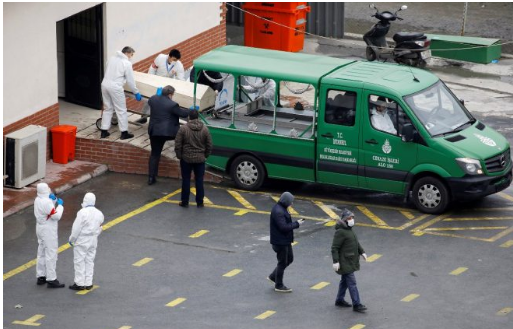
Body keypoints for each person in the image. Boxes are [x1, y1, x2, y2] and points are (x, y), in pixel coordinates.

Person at [147, 85, 189, 185]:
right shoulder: (172, 105)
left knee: (154, 154)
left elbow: (150, 102)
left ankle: (151, 178)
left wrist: (156, 95)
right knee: (183, 141)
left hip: (154, 132)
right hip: (168, 133)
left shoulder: (153, 99)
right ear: (170, 94)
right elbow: (183, 114)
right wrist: (191, 110)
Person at [101, 46, 142, 140]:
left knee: (108, 108)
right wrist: (136, 92)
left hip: (105, 84)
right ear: (127, 53)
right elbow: (130, 80)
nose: (131, 57)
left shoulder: (112, 58)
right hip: (115, 87)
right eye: (131, 55)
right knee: (121, 110)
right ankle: (124, 133)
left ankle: (104, 131)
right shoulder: (126, 63)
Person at [331, 209, 368, 313]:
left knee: (344, 282)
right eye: (349, 218)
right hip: (345, 262)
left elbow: (355, 242)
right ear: (345, 220)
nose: (352, 220)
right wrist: (335, 261)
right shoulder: (341, 232)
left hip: (350, 261)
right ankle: (357, 304)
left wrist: (362, 252)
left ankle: (339, 300)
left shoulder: (349, 229)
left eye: (352, 218)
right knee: (352, 283)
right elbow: (334, 248)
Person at [174, 109, 213, 207]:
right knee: (199, 180)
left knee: (186, 180)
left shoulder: (183, 129)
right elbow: (209, 145)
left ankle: (184, 201)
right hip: (200, 159)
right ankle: (200, 202)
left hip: (186, 159)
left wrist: (179, 155)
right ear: (198, 117)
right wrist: (205, 155)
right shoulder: (205, 129)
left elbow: (178, 144)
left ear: (188, 117)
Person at [137, 49, 186, 124]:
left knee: (166, 103)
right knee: (149, 99)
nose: (175, 61)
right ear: (169, 56)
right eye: (174, 59)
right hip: (156, 82)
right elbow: (152, 70)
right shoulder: (160, 58)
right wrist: (151, 82)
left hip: (168, 85)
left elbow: (181, 79)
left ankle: (162, 119)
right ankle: (144, 116)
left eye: (176, 60)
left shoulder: (179, 65)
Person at [268, 192, 304, 293]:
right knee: (282, 262)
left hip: (285, 241)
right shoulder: (279, 211)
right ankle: (278, 285)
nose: (292, 204)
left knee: (290, 259)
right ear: (286, 201)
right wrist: (297, 224)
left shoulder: (281, 208)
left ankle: (273, 276)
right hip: (280, 242)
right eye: (291, 202)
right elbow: (283, 227)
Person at [68, 193, 104, 291]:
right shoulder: (99, 213)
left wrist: (72, 239)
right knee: (89, 261)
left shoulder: (82, 212)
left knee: (79, 261)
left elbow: (76, 228)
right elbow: (100, 227)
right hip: (93, 240)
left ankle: (79, 283)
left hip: (82, 240)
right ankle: (89, 282)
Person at [34, 183, 65, 288]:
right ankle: (51, 279)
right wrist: (60, 205)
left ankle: (40, 276)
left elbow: (48, 209)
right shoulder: (46, 202)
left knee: (41, 252)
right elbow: (56, 216)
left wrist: (54, 200)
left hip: (40, 228)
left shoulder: (38, 199)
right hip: (48, 230)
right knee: (51, 253)